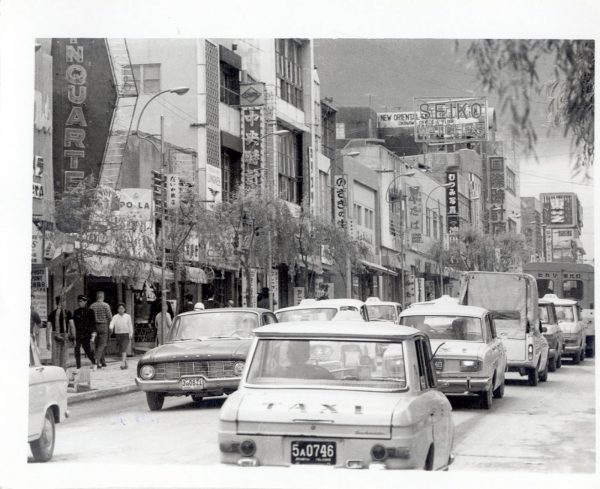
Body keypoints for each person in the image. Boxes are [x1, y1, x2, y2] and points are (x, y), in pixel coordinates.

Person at [47, 296, 74, 369]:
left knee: (55, 356)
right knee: (64, 356)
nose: (65, 303)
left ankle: (56, 373)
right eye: (64, 301)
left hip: (54, 335)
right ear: (62, 302)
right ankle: (63, 372)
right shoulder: (67, 313)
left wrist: (48, 341)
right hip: (64, 334)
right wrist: (74, 337)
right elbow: (72, 326)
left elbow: (48, 328)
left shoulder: (52, 313)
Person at [72, 295, 97, 369]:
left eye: (81, 301)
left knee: (87, 350)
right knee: (77, 349)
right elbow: (74, 324)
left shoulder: (90, 311)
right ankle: (78, 366)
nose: (79, 303)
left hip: (87, 333)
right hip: (78, 333)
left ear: (85, 302)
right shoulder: (76, 312)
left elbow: (93, 323)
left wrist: (93, 333)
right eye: (79, 301)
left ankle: (94, 362)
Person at [90, 290, 112, 368]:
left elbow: (90, 318)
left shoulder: (92, 306)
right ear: (103, 297)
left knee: (97, 344)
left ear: (96, 297)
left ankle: (102, 362)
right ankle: (96, 360)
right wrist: (110, 326)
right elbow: (109, 317)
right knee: (102, 344)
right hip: (103, 326)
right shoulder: (106, 305)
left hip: (94, 326)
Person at [109, 303, 134, 369]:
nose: (121, 310)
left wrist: (131, 333)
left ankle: (122, 364)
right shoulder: (115, 316)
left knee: (124, 348)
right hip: (118, 334)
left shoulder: (128, 316)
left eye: (122, 308)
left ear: (124, 309)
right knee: (121, 350)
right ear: (117, 309)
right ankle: (125, 363)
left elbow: (130, 325)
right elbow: (112, 323)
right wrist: (111, 327)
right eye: (119, 308)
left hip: (126, 334)